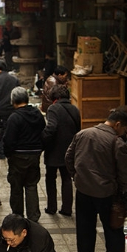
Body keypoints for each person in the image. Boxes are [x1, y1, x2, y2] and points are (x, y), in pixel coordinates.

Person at [65, 109, 127, 252]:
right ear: (117, 125)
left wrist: (76, 176)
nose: (124, 133)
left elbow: (68, 157)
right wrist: (122, 189)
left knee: (85, 228)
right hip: (106, 193)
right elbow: (124, 171)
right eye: (124, 129)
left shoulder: (83, 134)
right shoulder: (116, 142)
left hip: (83, 191)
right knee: (113, 231)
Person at [3, 87, 45, 222]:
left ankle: (18, 215)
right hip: (34, 155)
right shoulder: (37, 114)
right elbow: (44, 132)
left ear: (13, 101)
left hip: (18, 156)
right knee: (31, 185)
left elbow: (9, 140)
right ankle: (33, 217)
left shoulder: (14, 117)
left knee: (16, 187)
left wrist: (8, 154)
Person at [42, 84, 81, 216]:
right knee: (66, 178)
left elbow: (51, 128)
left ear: (55, 97)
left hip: (54, 150)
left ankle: (52, 207)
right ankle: (67, 209)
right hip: (70, 149)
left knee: (50, 179)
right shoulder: (75, 109)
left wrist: (43, 140)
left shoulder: (53, 108)